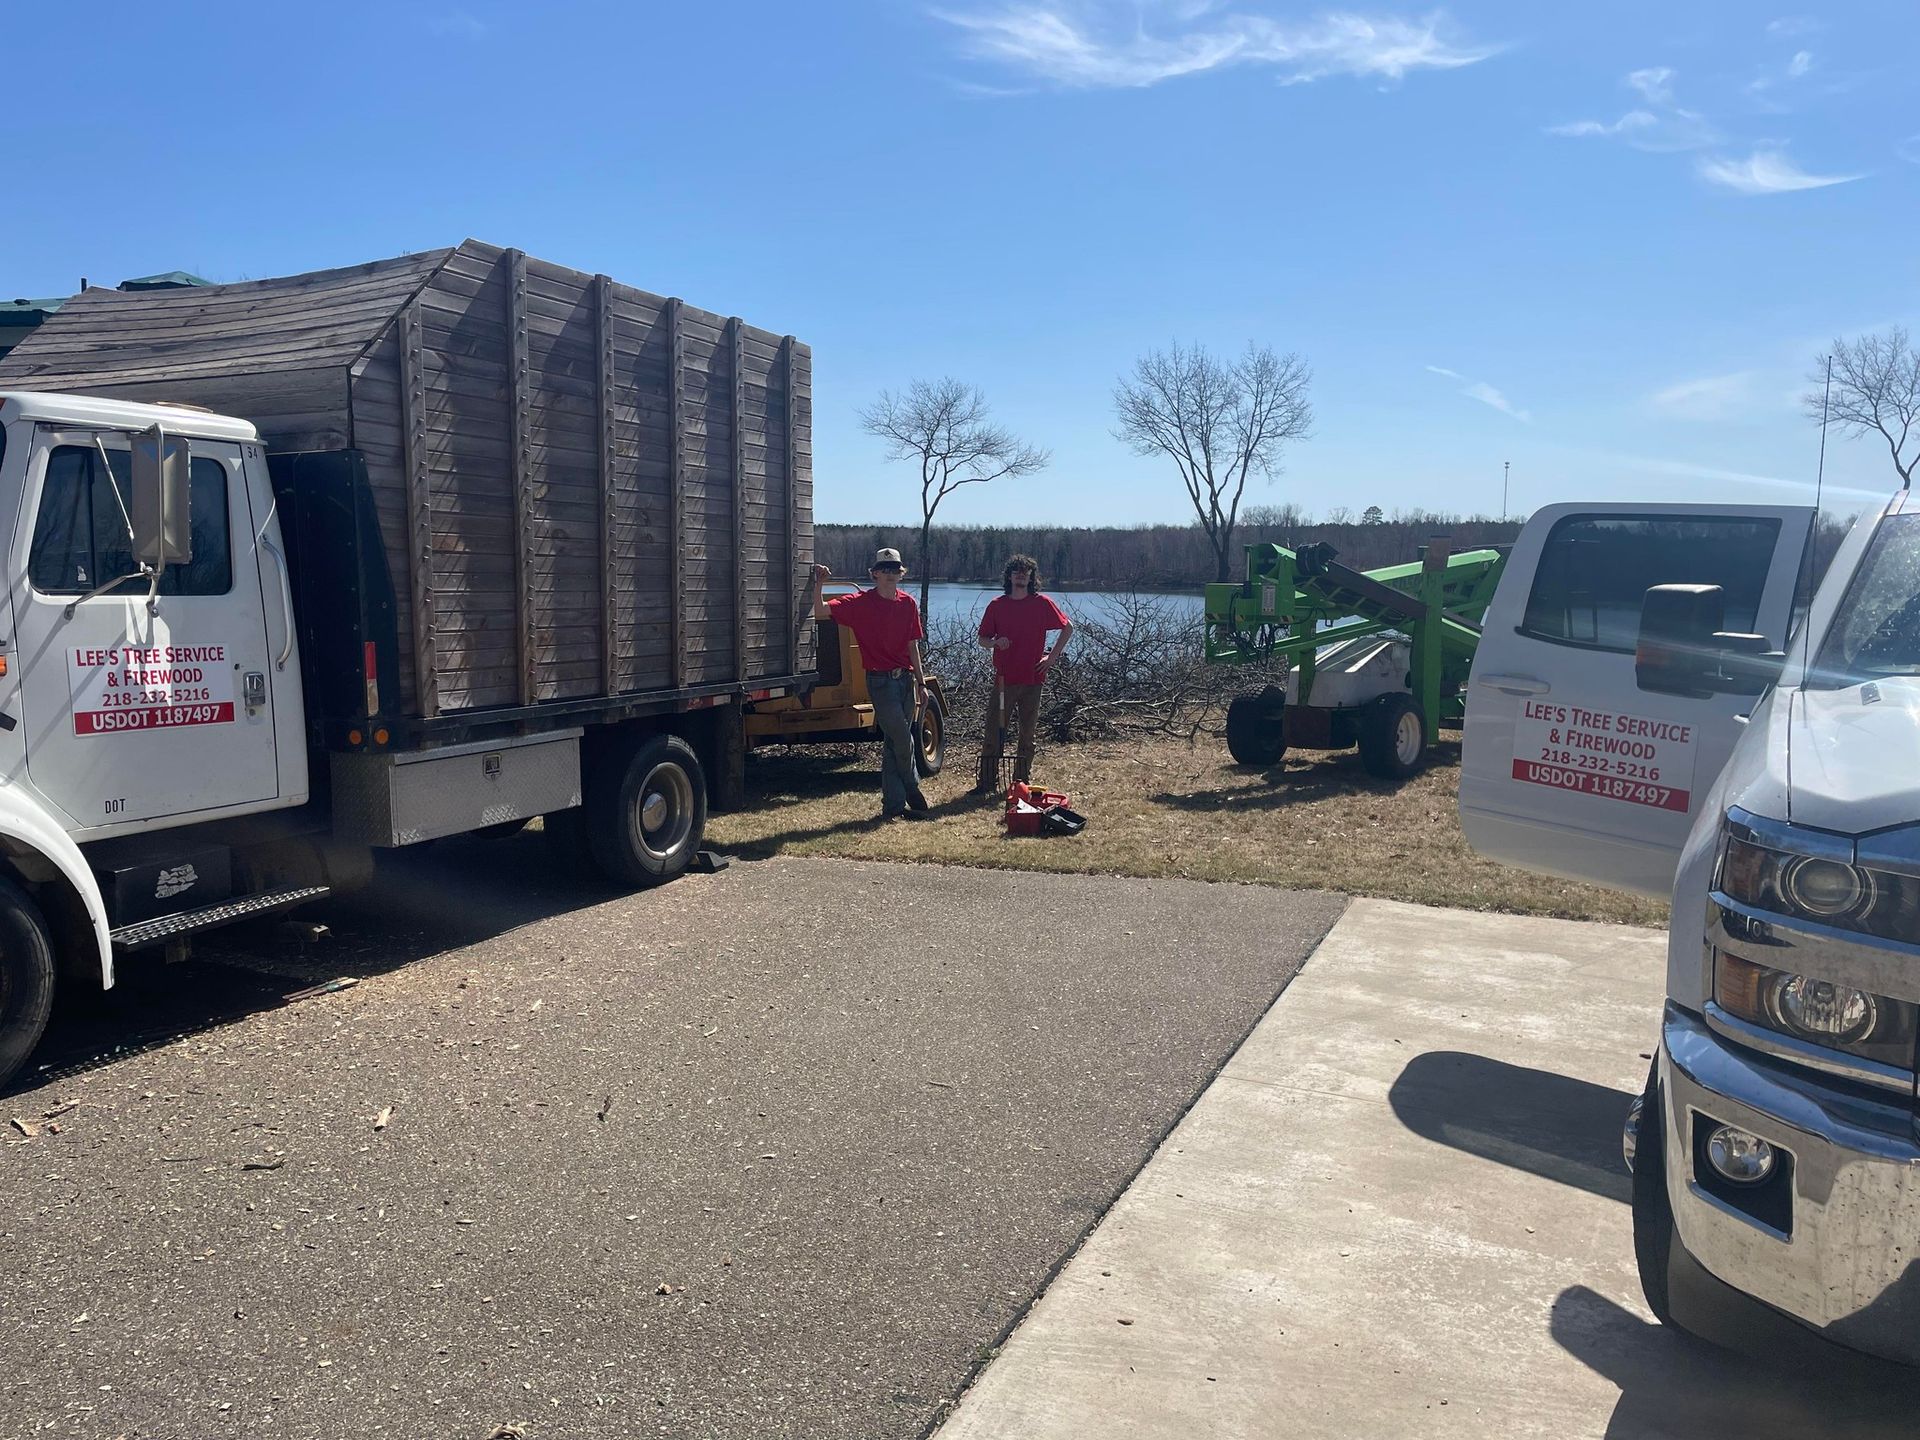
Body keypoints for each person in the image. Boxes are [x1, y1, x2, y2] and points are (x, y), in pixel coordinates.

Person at [811, 549, 932, 821]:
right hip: (880, 682)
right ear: (875, 573)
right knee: (902, 736)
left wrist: (922, 684)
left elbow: (913, 646)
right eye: (885, 569)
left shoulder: (908, 604)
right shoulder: (860, 603)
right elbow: (821, 611)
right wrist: (820, 582)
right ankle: (912, 787)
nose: (890, 574)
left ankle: (893, 807)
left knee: (892, 742)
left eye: (895, 570)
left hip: (906, 680)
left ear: (901, 573)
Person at [975, 553, 1072, 793]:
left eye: (1025, 571)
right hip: (1004, 681)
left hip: (1033, 680)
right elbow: (982, 640)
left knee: (1027, 735)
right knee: (994, 732)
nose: (1021, 575)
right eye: (1016, 571)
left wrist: (1052, 657)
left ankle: (1021, 782)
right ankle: (987, 782)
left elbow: (1067, 627)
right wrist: (996, 643)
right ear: (1009, 576)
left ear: (1031, 577)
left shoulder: (1042, 603)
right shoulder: (997, 605)